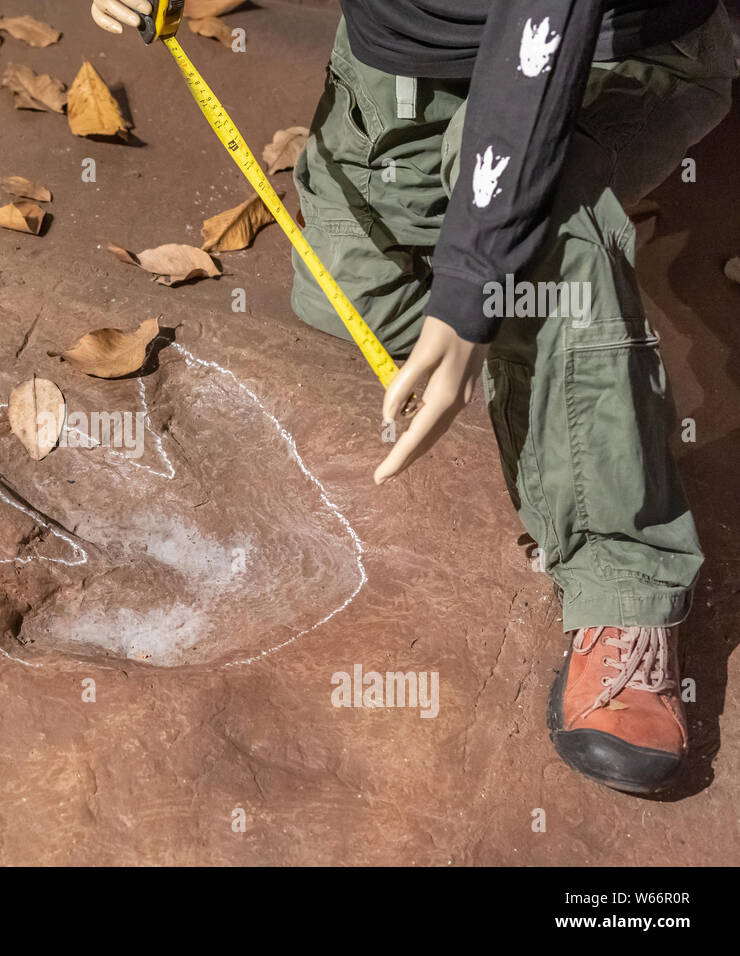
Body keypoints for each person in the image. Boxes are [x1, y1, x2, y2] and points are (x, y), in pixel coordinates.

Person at [90, 0, 737, 794]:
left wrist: (478, 285)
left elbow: (536, 44)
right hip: (404, 57)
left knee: (539, 230)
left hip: (602, 50)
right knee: (348, 296)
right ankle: (554, 358)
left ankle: (626, 581)